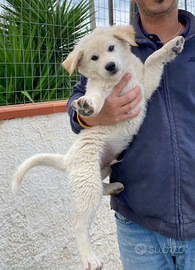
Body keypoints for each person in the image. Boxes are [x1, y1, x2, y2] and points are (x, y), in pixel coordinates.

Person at [67, 0, 195, 269]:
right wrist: (89, 114)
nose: (108, 60)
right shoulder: (112, 41)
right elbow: (81, 99)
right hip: (137, 220)